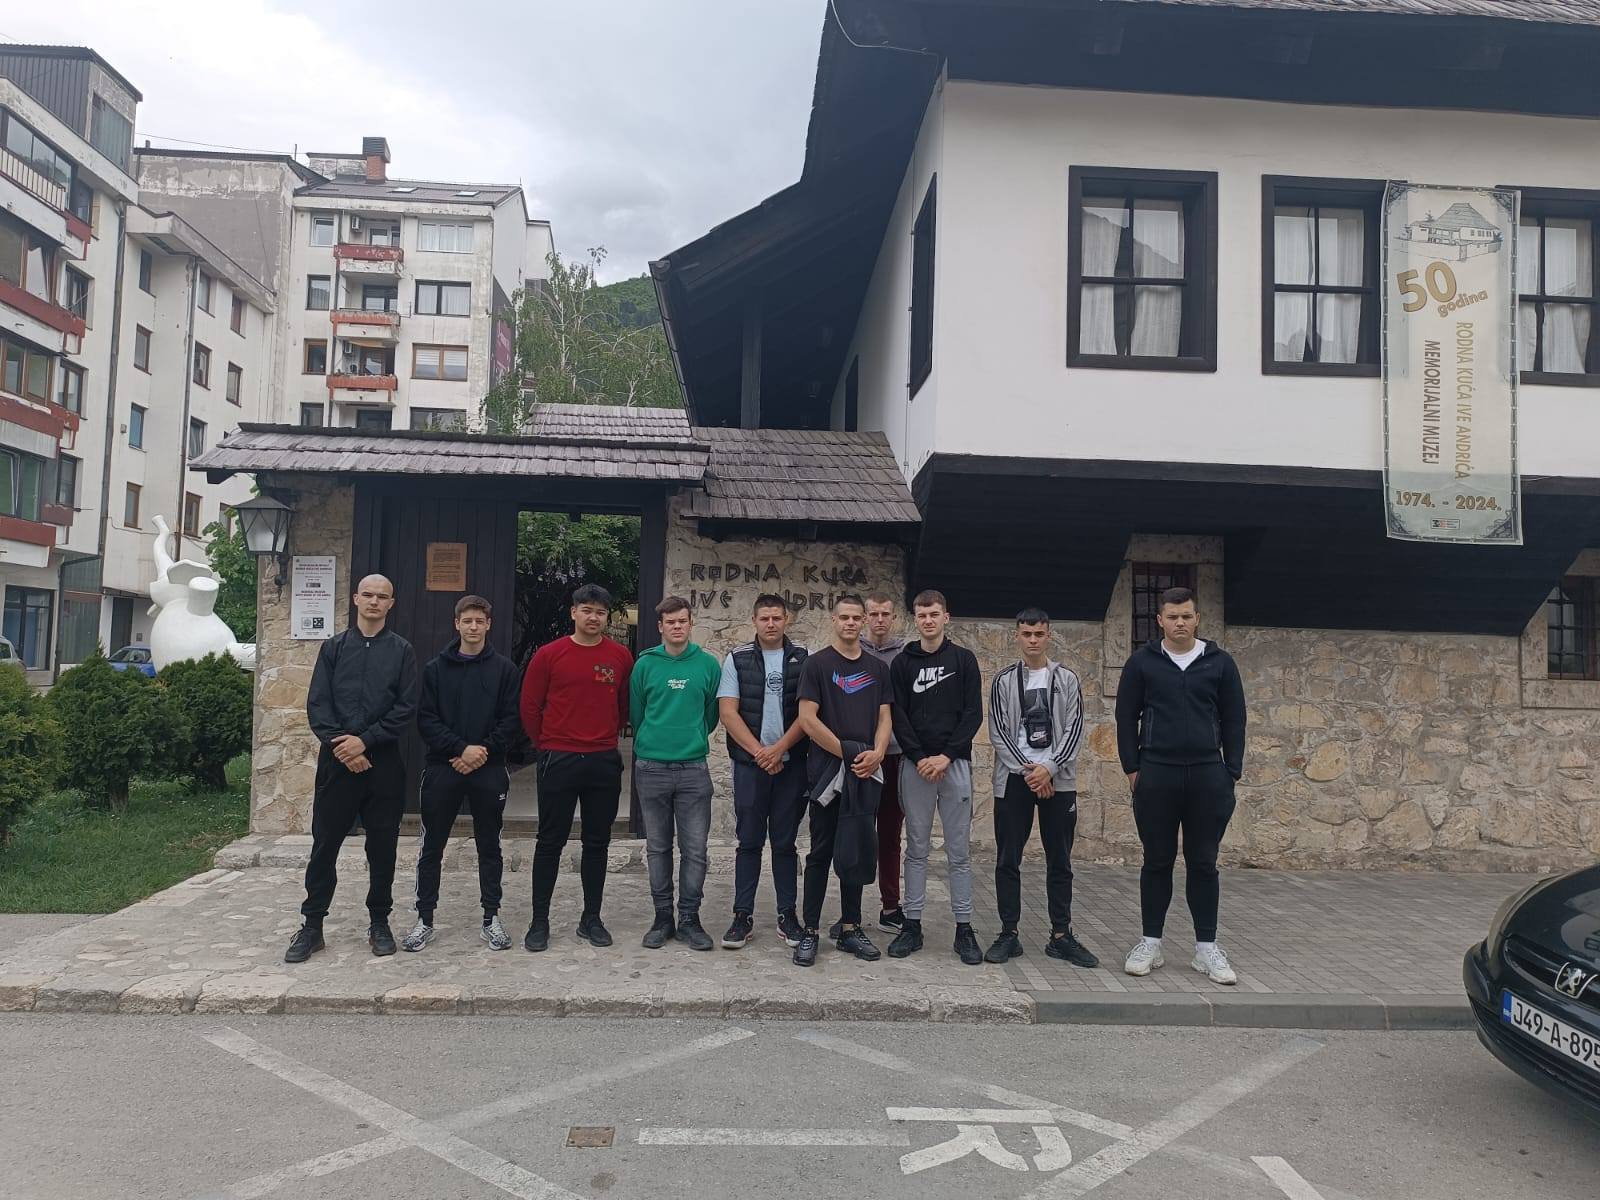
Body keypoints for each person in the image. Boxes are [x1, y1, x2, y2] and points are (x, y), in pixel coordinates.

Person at [1115, 586, 1247, 985]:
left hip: (1208, 774)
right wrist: (1133, 769)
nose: (1180, 623)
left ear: (1197, 619)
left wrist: (1231, 771)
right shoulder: (1142, 663)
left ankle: (1206, 949)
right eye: (1172, 617)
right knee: (1157, 860)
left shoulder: (1220, 663)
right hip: (1157, 772)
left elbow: (1235, 719)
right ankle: (1150, 943)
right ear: (1160, 620)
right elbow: (1126, 717)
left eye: (1187, 616)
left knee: (1203, 862)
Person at [286, 574, 418, 963]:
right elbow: (318, 704)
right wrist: (344, 747)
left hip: (383, 762)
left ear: (391, 603)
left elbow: (405, 707)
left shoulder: (402, 651)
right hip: (337, 761)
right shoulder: (333, 648)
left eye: (383, 596)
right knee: (325, 844)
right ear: (356, 599)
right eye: (369, 595)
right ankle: (312, 926)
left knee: (383, 846)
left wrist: (367, 741)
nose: (375, 602)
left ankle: (379, 921)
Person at [403, 595, 522, 954]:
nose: (473, 627)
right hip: (444, 767)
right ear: (456, 624)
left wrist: (481, 751)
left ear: (489, 625)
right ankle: (424, 919)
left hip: (489, 768)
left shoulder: (505, 670)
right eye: (467, 621)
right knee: (431, 846)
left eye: (479, 621)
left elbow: (511, 720)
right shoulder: (435, 669)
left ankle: (491, 918)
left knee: (490, 846)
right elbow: (426, 719)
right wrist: (459, 750)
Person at [519, 583, 633, 952]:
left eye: (600, 612)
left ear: (606, 617)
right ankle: (539, 921)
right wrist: (546, 744)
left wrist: (605, 736)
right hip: (559, 757)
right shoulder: (549, 655)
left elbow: (624, 706)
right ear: (574, 612)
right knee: (549, 841)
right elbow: (530, 706)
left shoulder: (620, 656)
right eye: (587, 610)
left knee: (597, 842)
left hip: (602, 759)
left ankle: (591, 918)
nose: (593, 617)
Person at [983, 607, 1099, 968]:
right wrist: (1031, 771)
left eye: (1039, 634)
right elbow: (999, 732)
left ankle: (1061, 935)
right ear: (1017, 636)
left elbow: (1075, 729)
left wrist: (1049, 768)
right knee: (1008, 859)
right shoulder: (1003, 681)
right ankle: (1009, 933)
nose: (1032, 640)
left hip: (1058, 780)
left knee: (1060, 859)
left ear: (1049, 636)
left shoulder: (1066, 679)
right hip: (1014, 780)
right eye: (1026, 634)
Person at [793, 593, 892, 967]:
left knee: (856, 850)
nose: (850, 623)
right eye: (844, 617)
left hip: (865, 772)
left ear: (864, 621)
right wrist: (846, 753)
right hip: (827, 774)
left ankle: (851, 927)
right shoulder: (817, 665)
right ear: (833, 620)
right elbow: (807, 719)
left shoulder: (877, 668)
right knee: (820, 853)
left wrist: (877, 752)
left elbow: (885, 717)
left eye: (856, 617)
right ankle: (810, 930)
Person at [887, 590, 985, 964]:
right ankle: (912, 925)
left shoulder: (963, 660)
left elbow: (973, 714)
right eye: (921, 615)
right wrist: (919, 757)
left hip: (953, 764)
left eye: (934, 614)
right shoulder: (902, 663)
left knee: (959, 851)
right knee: (916, 848)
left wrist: (946, 756)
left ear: (946, 617)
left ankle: (964, 928)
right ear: (915, 619)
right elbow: (898, 715)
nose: (928, 620)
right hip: (916, 766)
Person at [717, 594, 810, 950]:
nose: (771, 624)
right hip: (750, 766)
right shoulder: (737, 658)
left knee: (785, 843)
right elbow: (728, 713)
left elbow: (808, 713)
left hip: (791, 765)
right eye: (764, 618)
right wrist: (760, 753)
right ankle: (742, 916)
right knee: (749, 842)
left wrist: (780, 748)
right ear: (754, 621)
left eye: (777, 618)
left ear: (787, 620)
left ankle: (788, 915)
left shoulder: (804, 659)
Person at [630, 597, 722, 951]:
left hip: (693, 768)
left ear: (690, 623)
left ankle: (689, 919)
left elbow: (711, 715)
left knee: (695, 848)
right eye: (671, 622)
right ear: (660, 626)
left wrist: (690, 738)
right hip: (651, 767)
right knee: (657, 847)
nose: (677, 627)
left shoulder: (707, 665)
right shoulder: (645, 665)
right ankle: (662, 917)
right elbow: (637, 714)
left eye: (683, 621)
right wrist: (657, 741)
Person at [861, 592, 907, 935]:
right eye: (874, 613)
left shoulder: (905, 656)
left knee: (890, 835)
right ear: (865, 617)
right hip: (859, 757)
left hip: (894, 757)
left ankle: (890, 906)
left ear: (893, 618)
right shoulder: (853, 651)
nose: (879, 620)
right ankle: (848, 910)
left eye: (885, 614)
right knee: (855, 834)